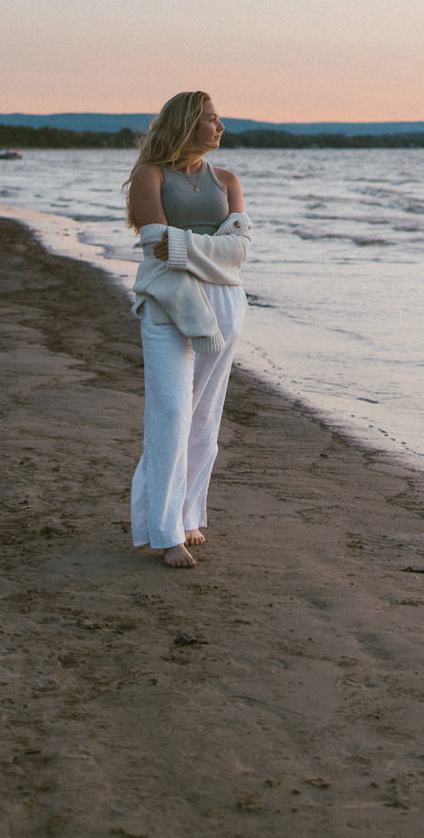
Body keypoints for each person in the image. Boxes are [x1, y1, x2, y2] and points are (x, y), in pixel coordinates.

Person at [125, 91, 252, 568]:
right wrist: (208, 250)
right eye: (212, 120)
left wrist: (183, 247)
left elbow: (239, 251)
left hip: (223, 302)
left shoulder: (227, 180)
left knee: (204, 417)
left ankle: (189, 513)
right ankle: (162, 531)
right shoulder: (150, 175)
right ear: (186, 124)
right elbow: (154, 240)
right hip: (168, 300)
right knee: (172, 414)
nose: (221, 127)